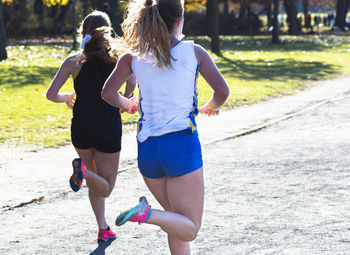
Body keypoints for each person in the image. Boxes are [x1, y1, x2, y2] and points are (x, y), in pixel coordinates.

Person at [102, 0, 230, 254]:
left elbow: (107, 92)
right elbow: (222, 91)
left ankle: (150, 214)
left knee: (175, 220)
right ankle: (146, 213)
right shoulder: (194, 51)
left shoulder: (132, 57)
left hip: (148, 150)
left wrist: (127, 104)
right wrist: (212, 105)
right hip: (181, 145)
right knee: (190, 227)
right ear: (179, 21)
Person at [46, 10, 136, 242]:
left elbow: (50, 94)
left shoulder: (73, 62)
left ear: (83, 33)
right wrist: (124, 98)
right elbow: (133, 81)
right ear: (108, 33)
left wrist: (67, 96)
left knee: (95, 180)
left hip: (81, 129)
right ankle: (83, 172)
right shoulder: (118, 60)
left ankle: (103, 227)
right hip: (107, 127)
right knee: (105, 186)